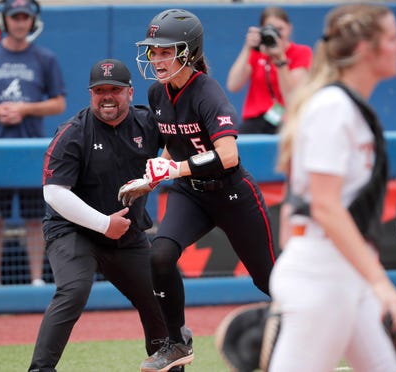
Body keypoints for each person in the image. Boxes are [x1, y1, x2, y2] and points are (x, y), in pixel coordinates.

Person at [120, 8, 278, 371]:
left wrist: (176, 168)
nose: (157, 59)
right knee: (159, 257)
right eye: (153, 51)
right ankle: (177, 343)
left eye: (166, 51)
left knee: (270, 280)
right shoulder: (158, 93)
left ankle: (315, 332)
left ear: (187, 52)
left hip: (232, 193)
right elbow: (170, 147)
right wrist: (152, 177)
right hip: (191, 193)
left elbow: (228, 155)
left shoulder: (207, 91)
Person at [269, 4, 396, 371]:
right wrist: (381, 284)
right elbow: (325, 207)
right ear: (366, 48)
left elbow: (298, 207)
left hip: (341, 272)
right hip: (320, 277)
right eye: (392, 38)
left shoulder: (346, 106)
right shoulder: (332, 107)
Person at [29, 58, 187, 372]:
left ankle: (169, 367)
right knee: (73, 290)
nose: (107, 97)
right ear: (90, 95)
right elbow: (54, 193)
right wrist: (104, 224)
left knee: (158, 296)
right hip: (74, 232)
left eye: (114, 89)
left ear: (129, 92)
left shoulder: (146, 123)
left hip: (127, 235)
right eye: (99, 90)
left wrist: (158, 174)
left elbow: (180, 140)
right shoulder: (73, 133)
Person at [0, 0, 66, 288]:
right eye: (15, 17)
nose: (19, 23)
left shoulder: (45, 58)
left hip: (31, 148)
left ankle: (36, 279)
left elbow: (59, 103)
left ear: (32, 21)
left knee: (35, 218)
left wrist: (25, 109)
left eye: (24, 18)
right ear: (4, 20)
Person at [226, 6, 312, 135]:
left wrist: (280, 59)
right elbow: (233, 85)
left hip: (285, 119)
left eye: (280, 29)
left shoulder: (301, 52)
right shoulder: (257, 53)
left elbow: (292, 96)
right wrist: (248, 48)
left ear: (289, 28)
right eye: (270, 29)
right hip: (255, 121)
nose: (276, 34)